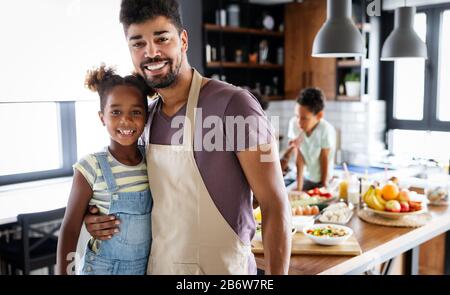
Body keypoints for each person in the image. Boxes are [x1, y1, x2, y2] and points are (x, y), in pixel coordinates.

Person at [83, 0, 291, 275]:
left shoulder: (237, 106)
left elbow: (275, 205)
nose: (151, 52)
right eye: (138, 44)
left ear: (183, 40)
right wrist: (95, 216)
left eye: (161, 38)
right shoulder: (145, 120)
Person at [56, 65, 154, 275]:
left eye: (136, 112)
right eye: (116, 112)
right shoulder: (90, 167)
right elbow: (70, 229)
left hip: (146, 268)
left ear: (146, 116)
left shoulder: (153, 161)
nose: (126, 120)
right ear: (102, 117)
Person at [288, 88, 336, 191]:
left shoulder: (325, 129)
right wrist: (299, 189)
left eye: (304, 118)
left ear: (319, 115)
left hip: (324, 178)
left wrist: (323, 185)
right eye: (297, 116)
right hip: (306, 178)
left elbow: (324, 158)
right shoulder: (294, 124)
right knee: (291, 196)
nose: (299, 122)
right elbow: (299, 159)